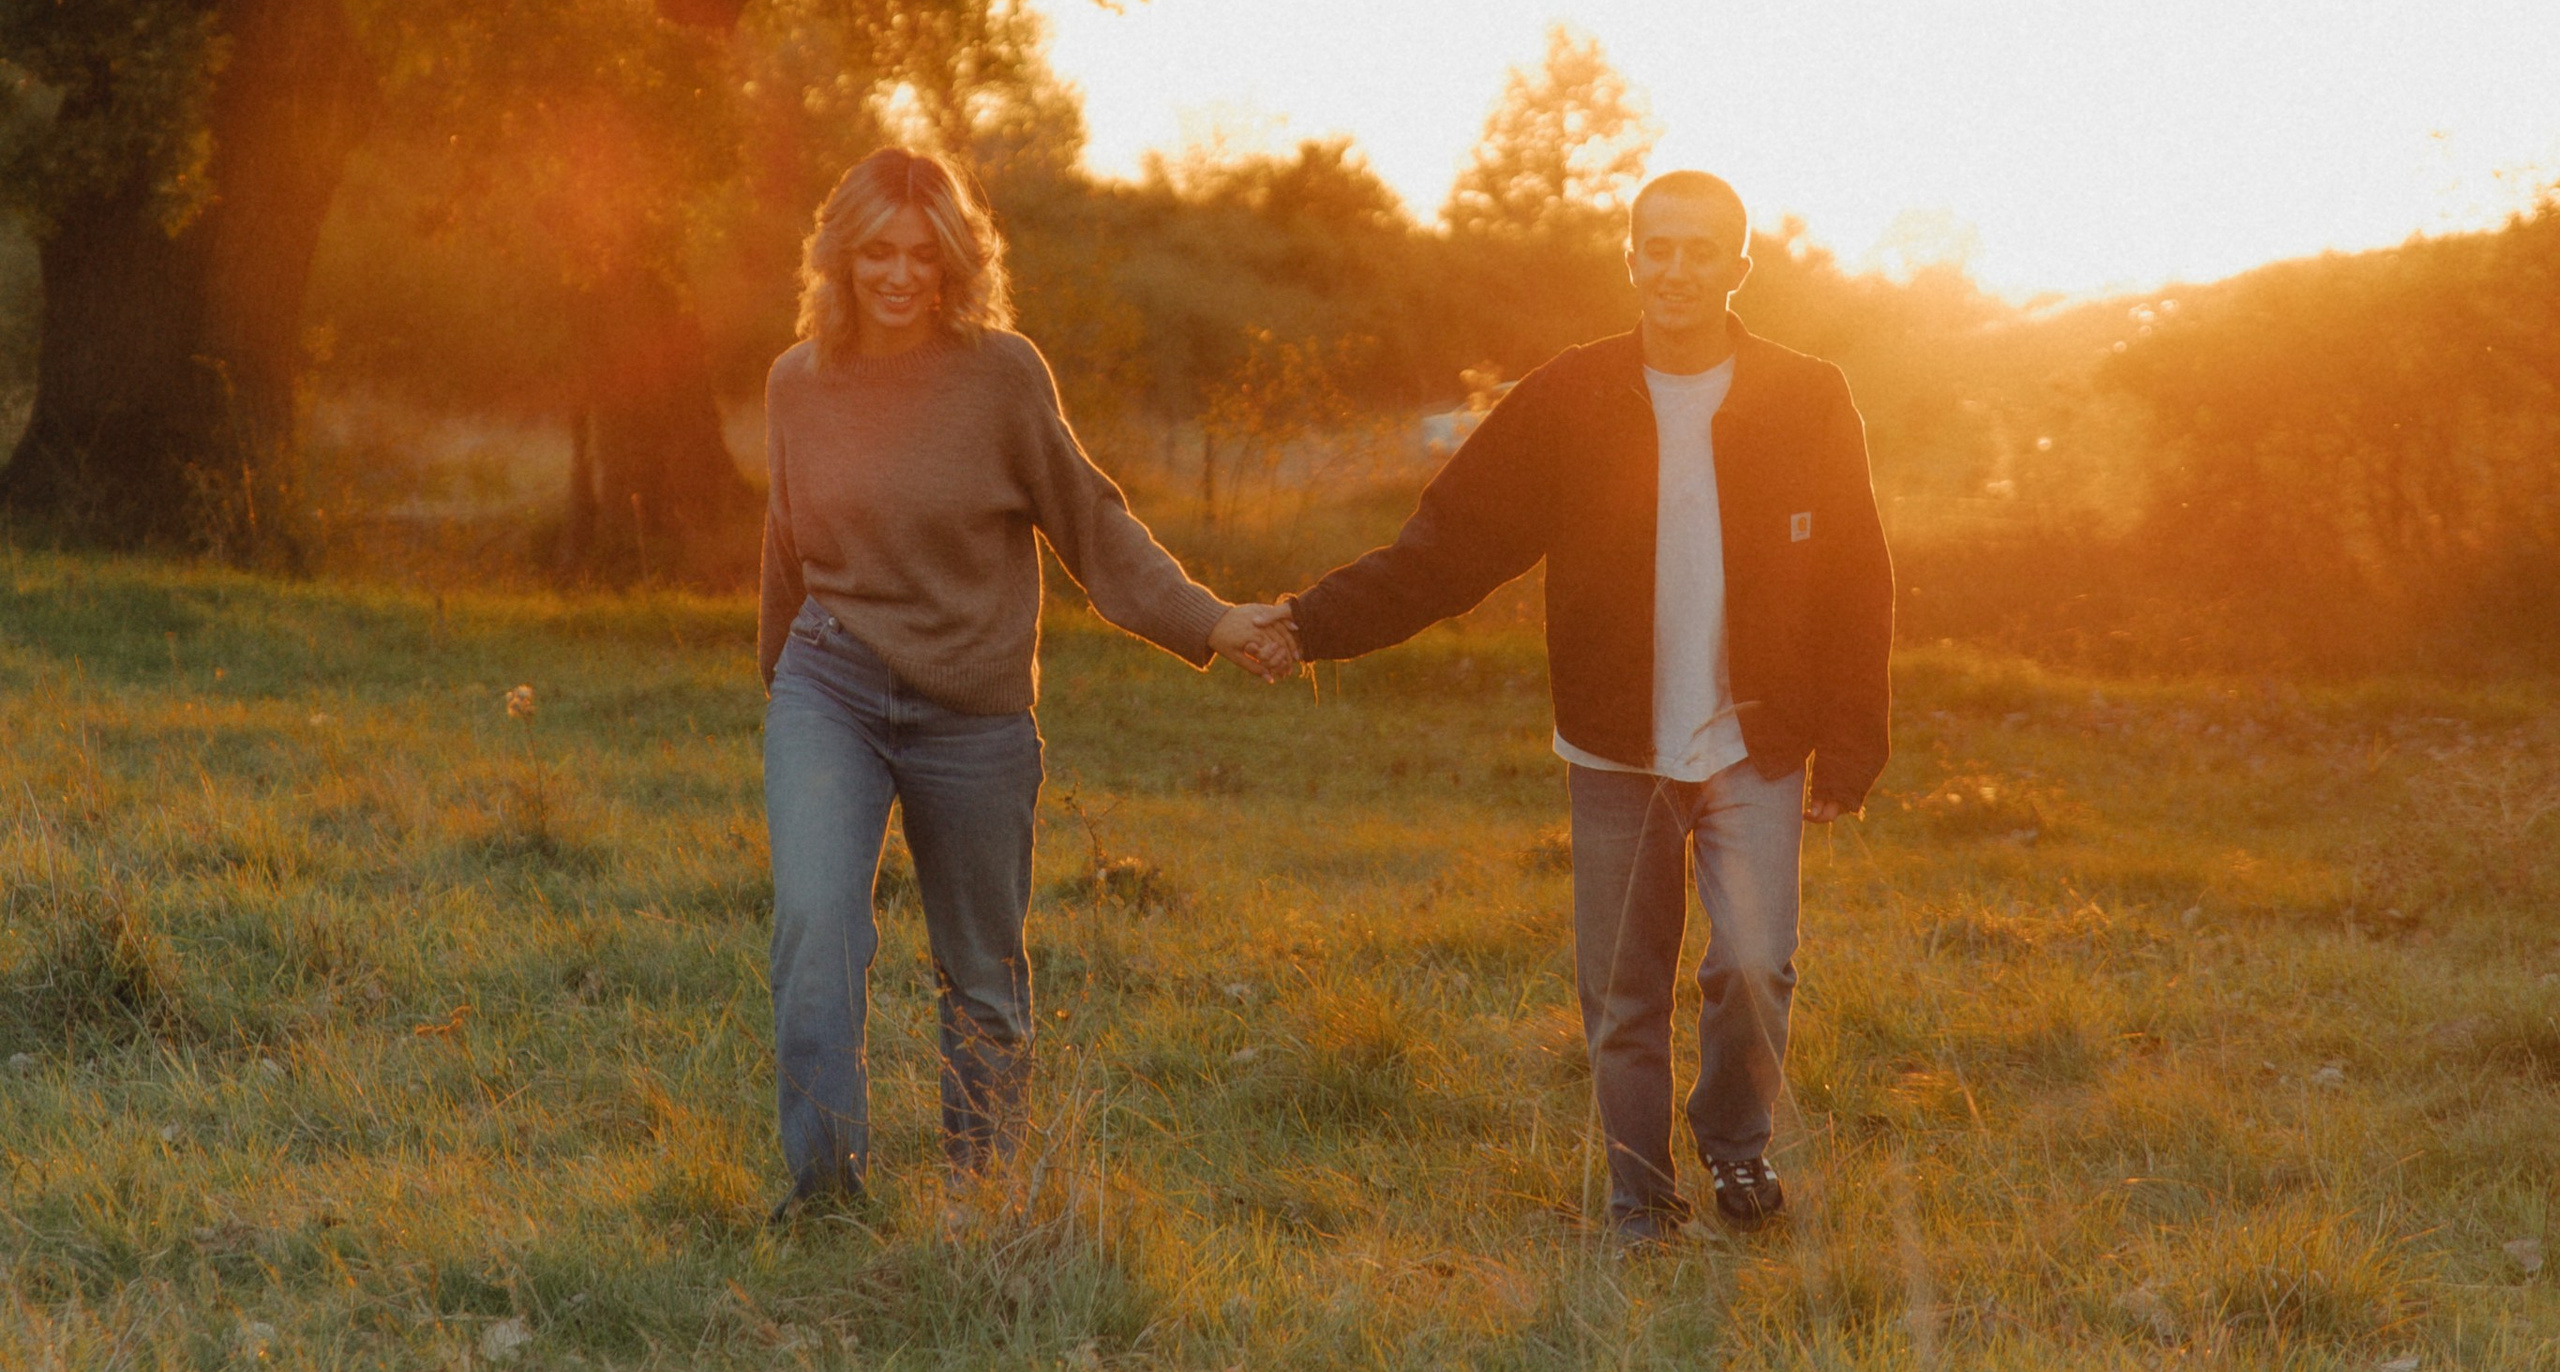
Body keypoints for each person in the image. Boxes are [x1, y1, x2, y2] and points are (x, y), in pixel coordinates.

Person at [1273, 172, 1892, 1245]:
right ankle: (1637, 1197)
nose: (1677, 267)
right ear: (1631, 258)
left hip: (1757, 740)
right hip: (1616, 748)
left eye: (1702, 248)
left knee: (1755, 965)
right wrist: (1308, 623)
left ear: (1739, 267)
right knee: (1622, 993)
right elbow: (1449, 548)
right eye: (1657, 246)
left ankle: (1736, 1144)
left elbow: (1856, 574)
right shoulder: (1571, 395)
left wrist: (1852, 740)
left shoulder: (1806, 394)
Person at [757, 146, 1293, 1219]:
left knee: (982, 975)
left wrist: (1211, 618)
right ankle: (823, 1199)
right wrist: (777, 689)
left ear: (954, 260)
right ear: (840, 258)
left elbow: (1092, 525)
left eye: (922, 252)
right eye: (877, 252)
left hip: (973, 714)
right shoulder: (798, 379)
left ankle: (983, 1198)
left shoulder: (1003, 375)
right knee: (817, 927)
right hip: (833, 684)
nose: (900, 274)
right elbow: (785, 540)